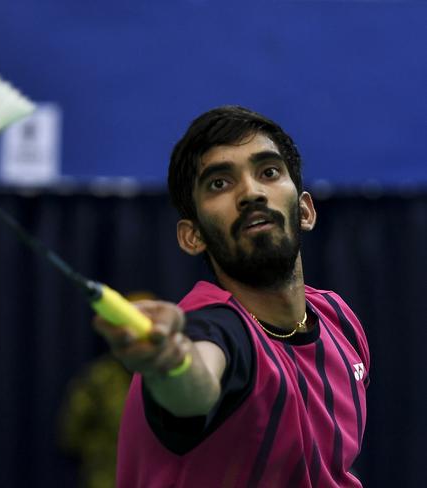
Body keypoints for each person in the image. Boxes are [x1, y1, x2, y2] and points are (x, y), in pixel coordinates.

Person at [93, 106, 370, 487]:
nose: (251, 192)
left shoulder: (338, 320)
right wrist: (170, 363)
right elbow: (196, 383)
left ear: (305, 210)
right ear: (193, 236)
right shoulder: (212, 327)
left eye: (268, 172)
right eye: (219, 183)